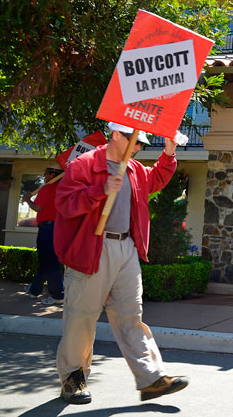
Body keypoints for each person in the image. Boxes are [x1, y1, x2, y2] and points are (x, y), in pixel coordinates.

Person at [53, 122, 188, 405]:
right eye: (134, 141)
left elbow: (157, 179)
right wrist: (100, 190)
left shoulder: (135, 169)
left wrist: (169, 153)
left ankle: (151, 378)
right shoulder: (84, 164)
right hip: (92, 246)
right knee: (82, 317)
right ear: (116, 135)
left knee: (131, 314)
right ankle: (73, 378)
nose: (138, 147)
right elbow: (65, 204)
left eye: (141, 143)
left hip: (127, 247)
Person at [23, 167, 65, 305]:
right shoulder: (63, 187)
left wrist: (28, 200)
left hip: (47, 228)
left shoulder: (47, 188)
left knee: (49, 261)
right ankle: (35, 290)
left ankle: (58, 294)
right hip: (58, 227)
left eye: (46, 174)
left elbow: (38, 208)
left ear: (52, 174)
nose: (44, 176)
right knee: (46, 260)